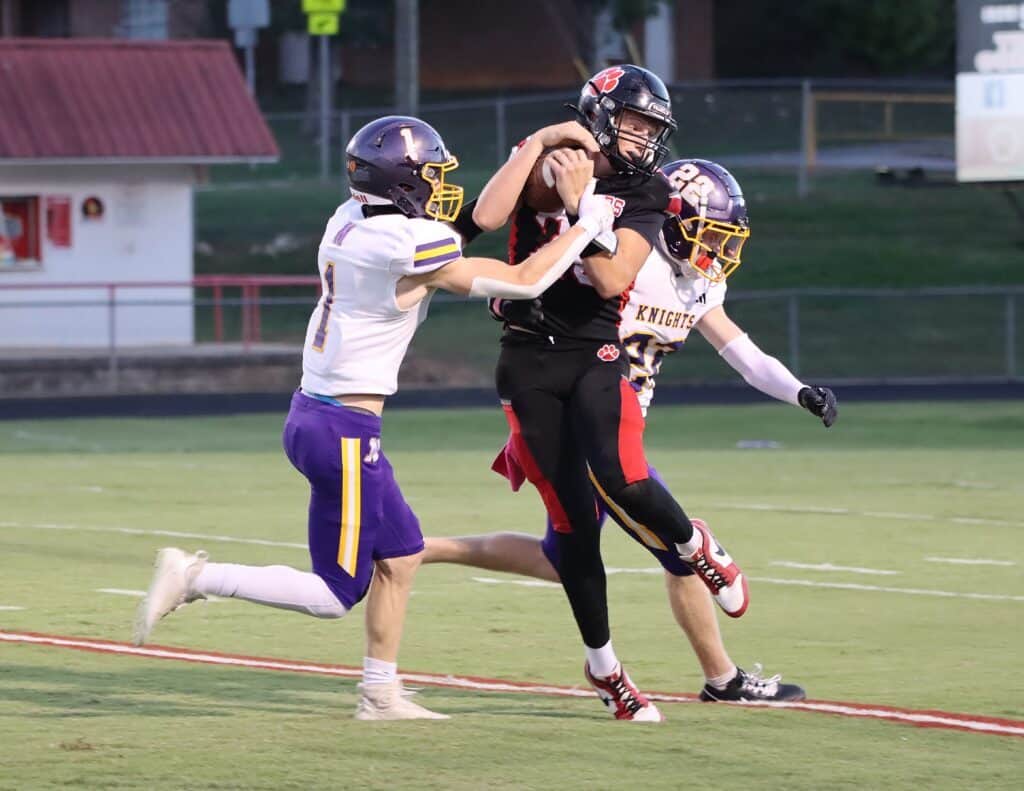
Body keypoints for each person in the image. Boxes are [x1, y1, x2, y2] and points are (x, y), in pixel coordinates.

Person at [132, 115, 614, 721]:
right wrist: (587, 221)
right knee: (335, 594)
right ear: (405, 181)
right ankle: (198, 577)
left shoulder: (352, 220)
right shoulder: (404, 244)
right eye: (432, 174)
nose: (442, 187)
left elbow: (468, 231)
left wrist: (535, 144)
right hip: (343, 428)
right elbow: (523, 280)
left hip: (319, 414)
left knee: (403, 553)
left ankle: (380, 694)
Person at [425, 158, 838, 704]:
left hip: (615, 424)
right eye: (709, 234)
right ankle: (723, 680)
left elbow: (743, 354)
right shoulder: (618, 259)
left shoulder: (695, 284)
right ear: (672, 219)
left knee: (562, 558)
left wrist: (799, 391)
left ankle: (418, 549)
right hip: (581, 423)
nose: (717, 252)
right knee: (678, 543)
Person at [463, 65, 750, 723]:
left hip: (595, 349)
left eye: (653, 126)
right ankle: (606, 669)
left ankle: (695, 544)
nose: (644, 136)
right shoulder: (557, 157)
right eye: (634, 121)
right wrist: (536, 143)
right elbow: (484, 214)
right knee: (573, 536)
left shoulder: (645, 187)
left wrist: (576, 205)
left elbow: (613, 272)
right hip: (527, 359)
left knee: (624, 474)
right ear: (598, 113)